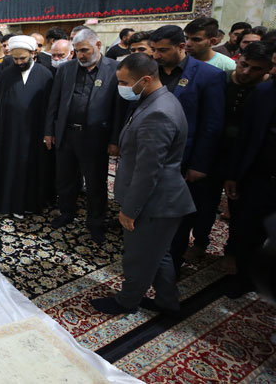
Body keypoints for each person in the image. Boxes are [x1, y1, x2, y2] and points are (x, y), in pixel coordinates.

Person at [90, 53, 195, 315]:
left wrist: (130, 210)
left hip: (154, 202)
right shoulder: (157, 100)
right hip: (160, 200)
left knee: (138, 257)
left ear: (145, 80)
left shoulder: (158, 113)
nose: (121, 87)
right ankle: (167, 302)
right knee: (158, 255)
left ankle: (126, 302)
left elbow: (149, 171)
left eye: (124, 82)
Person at [148, 25, 226, 269]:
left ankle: (171, 266)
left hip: (183, 160)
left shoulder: (209, 76)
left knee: (177, 218)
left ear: (181, 47)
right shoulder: (151, 71)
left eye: (162, 50)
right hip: (151, 156)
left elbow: (211, 125)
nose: (156, 55)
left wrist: (199, 164)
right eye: (153, 50)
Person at [45, 28, 123, 243]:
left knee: (96, 183)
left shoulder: (114, 69)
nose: (80, 55)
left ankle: (96, 222)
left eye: (84, 50)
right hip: (67, 134)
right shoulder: (66, 69)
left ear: (97, 45)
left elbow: (118, 109)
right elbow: (54, 102)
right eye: (77, 51)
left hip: (95, 138)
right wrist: (49, 131)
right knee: (65, 179)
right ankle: (66, 212)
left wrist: (114, 140)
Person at [210, 42, 273, 265]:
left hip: (249, 162)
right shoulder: (221, 79)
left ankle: (235, 252)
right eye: (243, 64)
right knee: (206, 204)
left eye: (256, 69)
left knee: (244, 213)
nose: (246, 72)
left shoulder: (265, 91)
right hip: (214, 153)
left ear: (268, 69)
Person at [223, 48, 276, 298]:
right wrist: (233, 175)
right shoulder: (264, 92)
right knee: (248, 229)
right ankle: (243, 278)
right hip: (259, 177)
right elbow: (245, 137)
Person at [0, 36, 53, 218]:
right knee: (10, 168)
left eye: (23, 58)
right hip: (10, 133)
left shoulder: (45, 75)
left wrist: (48, 132)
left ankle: (30, 204)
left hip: (35, 132)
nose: (19, 62)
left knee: (32, 169)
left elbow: (49, 108)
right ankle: (9, 204)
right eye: (15, 59)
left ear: (33, 53)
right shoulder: (6, 75)